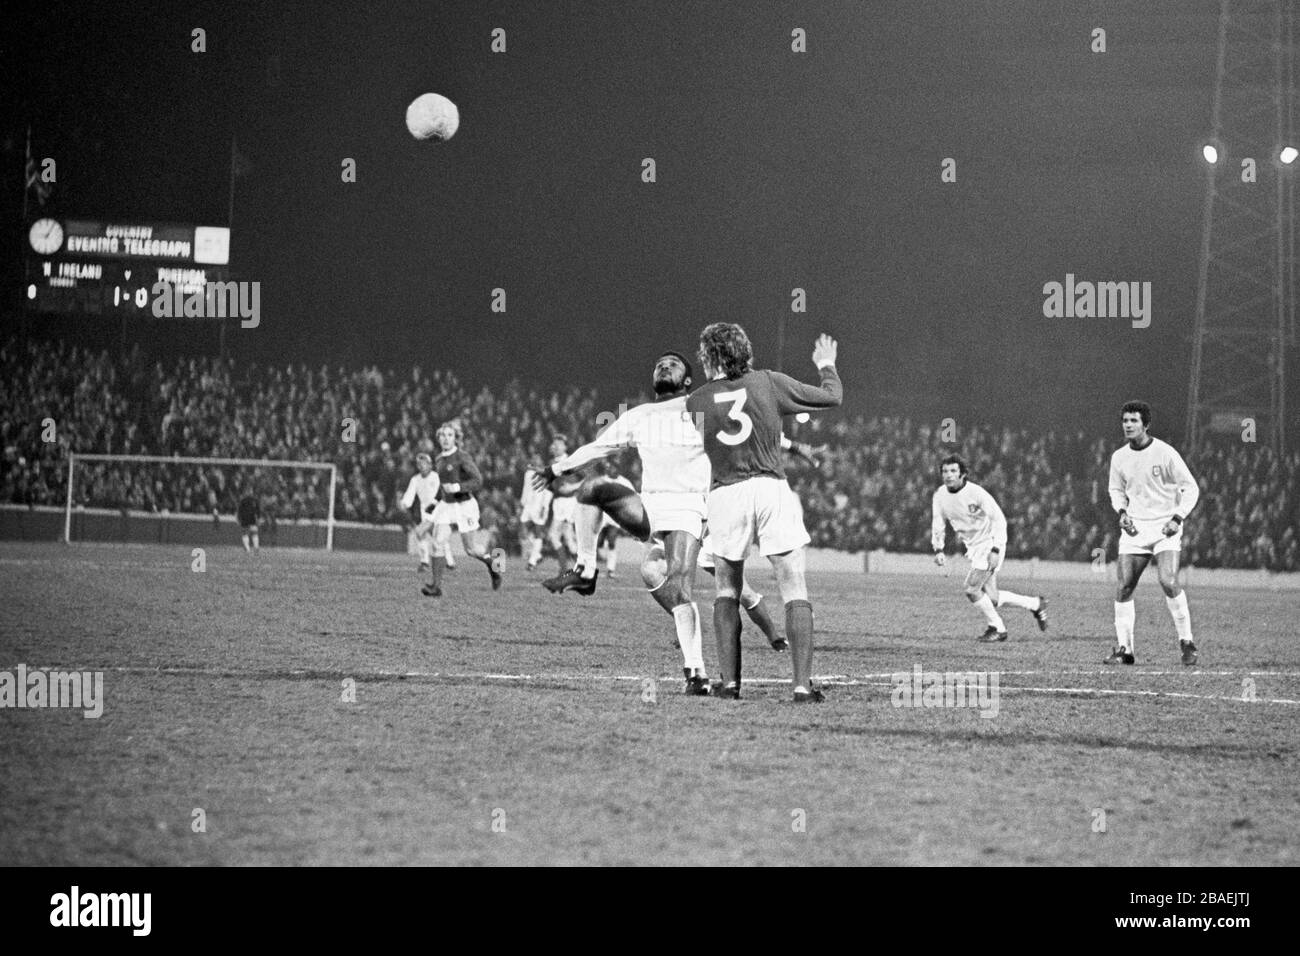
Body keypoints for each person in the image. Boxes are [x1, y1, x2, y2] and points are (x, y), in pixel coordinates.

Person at [686, 325, 842, 702]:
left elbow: (706, 441)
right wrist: (826, 365)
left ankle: (730, 684)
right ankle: (803, 687)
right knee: (793, 585)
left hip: (725, 494)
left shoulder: (695, 402)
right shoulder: (768, 382)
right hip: (771, 488)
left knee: (727, 589)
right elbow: (831, 397)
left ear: (711, 357)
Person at [1105, 401, 1201, 666]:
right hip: (1136, 528)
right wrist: (1122, 512)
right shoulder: (1119, 457)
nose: (1128, 425)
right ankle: (1125, 650)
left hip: (1164, 527)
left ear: (1145, 424)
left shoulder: (1165, 453)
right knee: (1124, 587)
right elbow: (1115, 490)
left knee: (1168, 581)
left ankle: (1187, 642)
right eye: (1125, 420)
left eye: (1134, 421)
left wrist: (1177, 517)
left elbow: (1191, 488)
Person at [930, 454, 1048, 641]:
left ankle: (998, 629)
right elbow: (938, 523)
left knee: (971, 589)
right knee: (992, 597)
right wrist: (938, 549)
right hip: (974, 547)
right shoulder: (940, 496)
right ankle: (1035, 604)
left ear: (963, 474)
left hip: (989, 544)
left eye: (953, 471)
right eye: (945, 471)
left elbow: (999, 520)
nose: (948, 475)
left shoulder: (977, 493)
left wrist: (996, 549)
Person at [423, 423, 505, 597]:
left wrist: (458, 486)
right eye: (443, 435)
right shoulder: (438, 459)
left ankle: (493, 566)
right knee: (437, 543)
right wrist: (435, 501)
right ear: (438, 438)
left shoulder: (462, 457)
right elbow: (442, 486)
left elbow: (478, 481)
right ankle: (436, 587)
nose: (446, 438)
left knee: (471, 550)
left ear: (455, 438)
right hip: (446, 506)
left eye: (449, 435)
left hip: (464, 506)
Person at [400, 452, 441, 575]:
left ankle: (428, 562)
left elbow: (443, 494)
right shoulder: (415, 479)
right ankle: (429, 562)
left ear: (430, 465)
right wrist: (404, 503)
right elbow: (410, 494)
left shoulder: (437, 477)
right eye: (419, 464)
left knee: (428, 535)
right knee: (427, 535)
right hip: (425, 513)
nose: (421, 466)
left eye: (424, 463)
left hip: (438, 511)